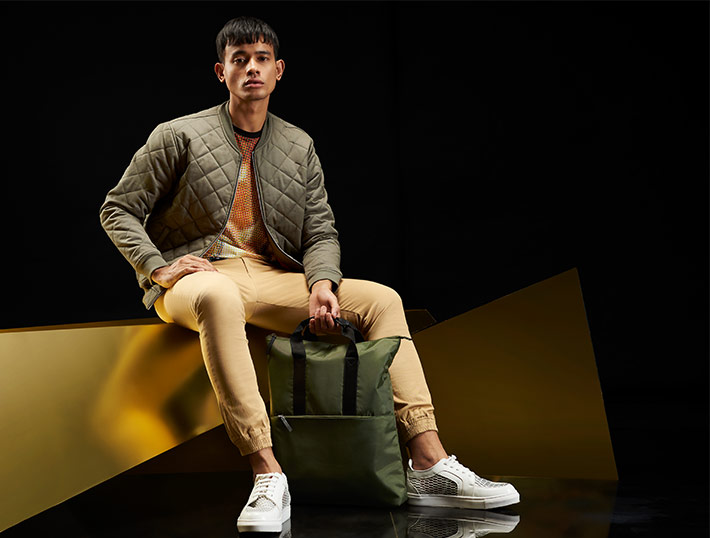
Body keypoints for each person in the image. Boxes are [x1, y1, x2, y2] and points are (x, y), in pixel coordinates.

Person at [99, 16, 520, 534]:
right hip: (199, 278)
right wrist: (159, 267)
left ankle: (428, 460)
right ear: (221, 72)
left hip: (270, 275)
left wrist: (321, 284)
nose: (251, 69)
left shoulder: (298, 145)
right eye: (239, 60)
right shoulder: (178, 134)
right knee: (218, 296)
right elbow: (117, 208)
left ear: (278, 70)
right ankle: (267, 472)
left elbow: (320, 231)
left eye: (261, 59)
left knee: (381, 299)